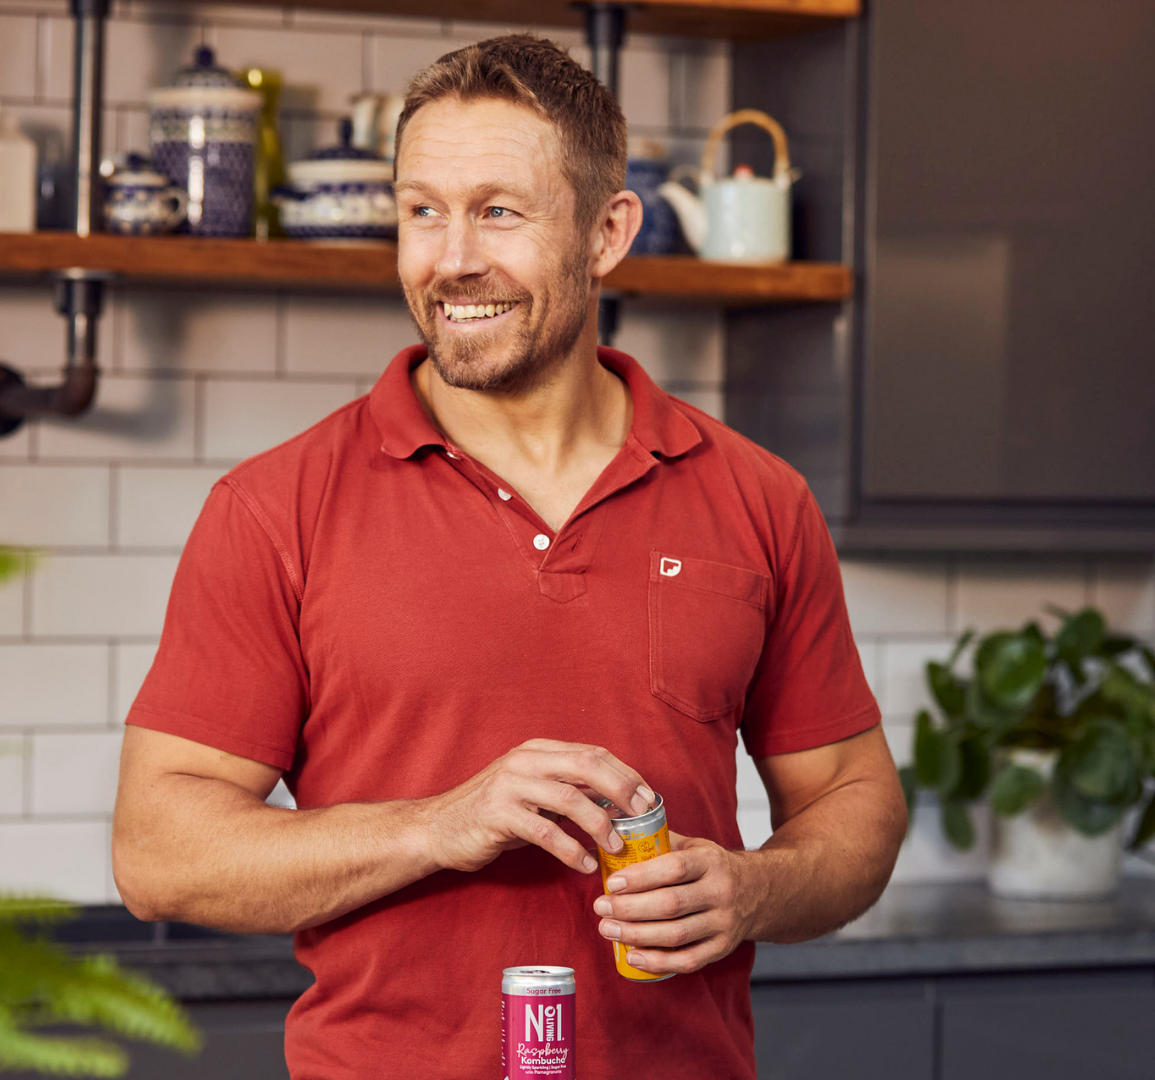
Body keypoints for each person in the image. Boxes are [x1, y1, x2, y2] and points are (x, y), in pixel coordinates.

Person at [113, 33, 905, 1080]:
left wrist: (755, 890)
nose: (452, 260)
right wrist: (438, 826)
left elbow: (856, 797)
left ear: (607, 232)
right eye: (422, 211)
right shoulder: (274, 509)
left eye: (498, 210)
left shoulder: (756, 497)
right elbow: (158, 852)